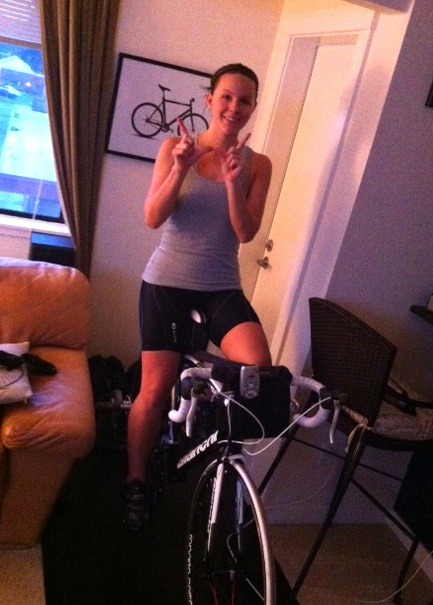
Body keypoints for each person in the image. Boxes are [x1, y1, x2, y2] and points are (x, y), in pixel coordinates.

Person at [125, 63, 273, 530]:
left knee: (258, 372)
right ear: (210, 100)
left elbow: (245, 233)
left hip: (220, 288)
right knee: (153, 390)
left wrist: (232, 181)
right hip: (166, 285)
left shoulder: (258, 164)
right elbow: (153, 217)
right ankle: (135, 481)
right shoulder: (174, 147)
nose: (234, 107)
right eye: (226, 97)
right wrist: (180, 169)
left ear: (253, 107)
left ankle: (207, 438)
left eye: (245, 100)